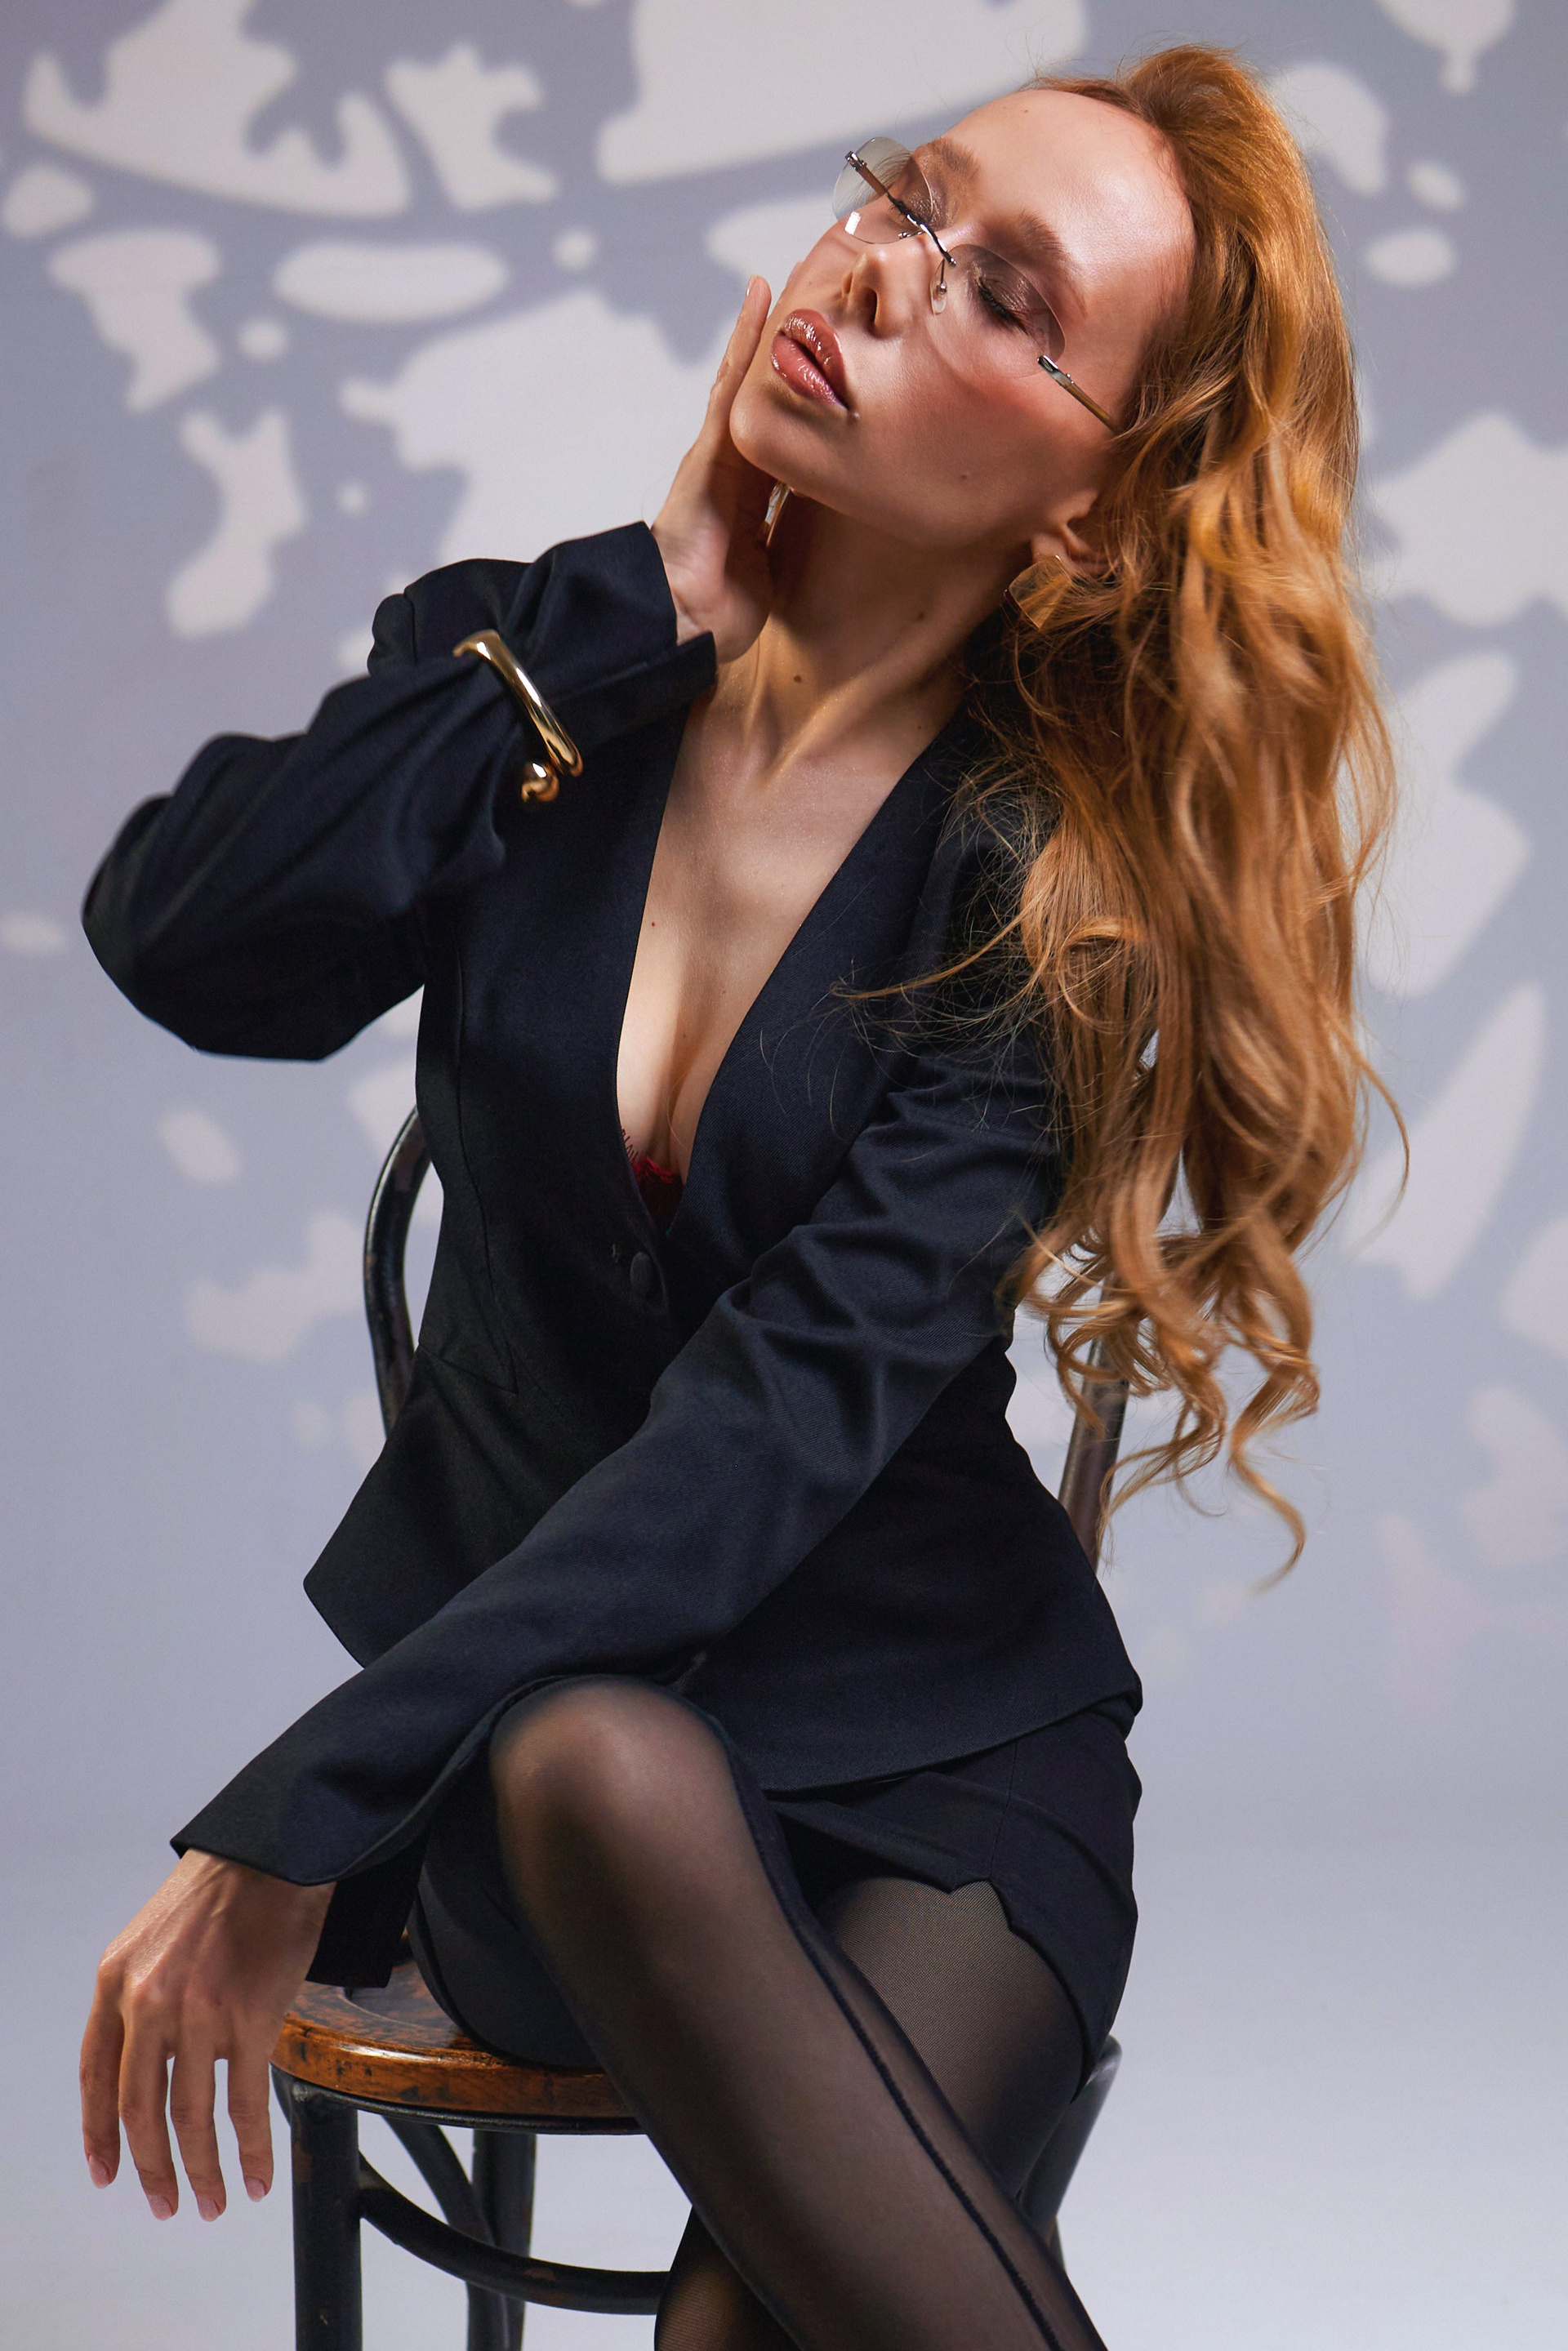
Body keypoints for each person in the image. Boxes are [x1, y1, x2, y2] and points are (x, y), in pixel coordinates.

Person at [76, 49, 1392, 2351]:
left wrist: (288, 1803)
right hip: (551, 1795)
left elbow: (752, 1445)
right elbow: (180, 936)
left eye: (1005, 296)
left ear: (1090, 516)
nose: (877, 275)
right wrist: (632, 612)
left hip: (937, 1778)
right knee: (590, 1750)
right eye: (906, 198)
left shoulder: (1037, 895)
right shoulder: (531, 675)